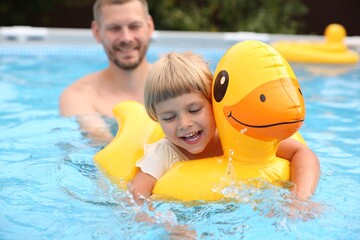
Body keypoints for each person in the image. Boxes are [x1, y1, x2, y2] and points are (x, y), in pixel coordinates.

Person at [128, 52, 320, 204]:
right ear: (156, 118)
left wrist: (299, 201)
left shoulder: (238, 135)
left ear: (213, 103)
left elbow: (302, 153)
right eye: (169, 117)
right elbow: (136, 198)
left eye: (194, 110)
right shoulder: (163, 154)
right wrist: (170, 226)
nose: (184, 124)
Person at [59, 0, 154, 143]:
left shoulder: (178, 82)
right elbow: (104, 148)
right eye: (114, 28)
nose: (126, 38)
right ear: (97, 32)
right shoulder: (78, 97)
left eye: (134, 26)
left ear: (149, 26)